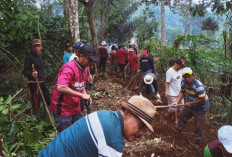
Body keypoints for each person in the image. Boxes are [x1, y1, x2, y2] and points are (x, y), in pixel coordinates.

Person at [39, 95, 156, 157]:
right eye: (141, 126)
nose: (141, 133)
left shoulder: (104, 114)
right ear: (127, 113)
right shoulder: (114, 140)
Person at [50, 45, 99, 132]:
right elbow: (60, 87)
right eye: (89, 60)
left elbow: (81, 86)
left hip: (75, 108)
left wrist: (85, 94)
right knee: (66, 138)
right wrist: (81, 95)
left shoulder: (83, 68)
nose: (90, 63)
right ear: (81, 56)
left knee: (78, 133)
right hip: (63, 110)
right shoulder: (69, 68)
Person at [172, 67, 210, 148]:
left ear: (192, 75)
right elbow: (182, 92)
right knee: (181, 115)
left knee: (198, 125)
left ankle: (196, 141)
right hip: (190, 104)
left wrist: (191, 103)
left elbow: (203, 99)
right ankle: (178, 129)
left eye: (188, 76)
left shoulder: (198, 86)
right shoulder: (183, 83)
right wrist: (176, 102)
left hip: (201, 107)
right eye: (185, 77)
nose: (187, 79)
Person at [23, 39, 51, 117]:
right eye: (35, 46)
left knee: (47, 98)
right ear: (32, 47)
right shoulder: (29, 57)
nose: (37, 48)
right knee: (36, 101)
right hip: (34, 83)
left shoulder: (40, 55)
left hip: (42, 81)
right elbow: (25, 71)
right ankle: (36, 118)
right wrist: (31, 74)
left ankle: (48, 117)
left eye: (38, 46)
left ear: (41, 47)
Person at [165, 59, 185, 125]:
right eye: (180, 66)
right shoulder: (169, 71)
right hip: (172, 93)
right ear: (176, 65)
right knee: (174, 107)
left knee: (181, 107)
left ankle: (178, 117)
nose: (181, 67)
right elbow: (167, 82)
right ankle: (176, 119)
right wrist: (166, 91)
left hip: (180, 92)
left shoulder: (181, 70)